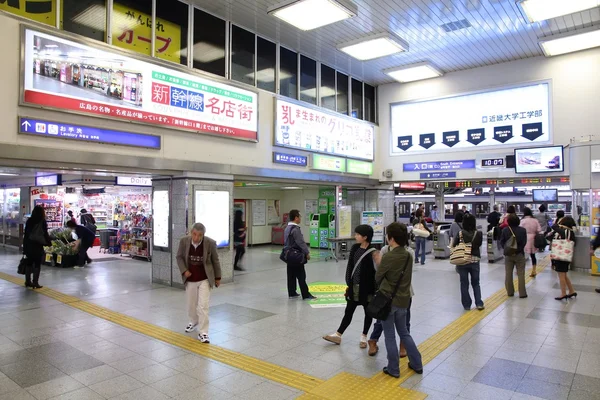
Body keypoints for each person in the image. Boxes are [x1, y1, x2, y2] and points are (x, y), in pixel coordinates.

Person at [376, 222, 422, 378]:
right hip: (404, 299)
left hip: (388, 302)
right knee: (404, 332)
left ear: (392, 238)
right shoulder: (408, 255)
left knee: (389, 336)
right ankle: (417, 363)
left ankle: (393, 369)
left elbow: (378, 277)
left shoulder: (388, 256)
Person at [323, 225, 377, 348]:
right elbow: (350, 267)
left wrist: (375, 289)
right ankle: (338, 334)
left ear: (365, 237)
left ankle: (364, 337)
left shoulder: (373, 251)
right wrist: (349, 283)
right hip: (354, 287)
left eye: (358, 234)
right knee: (349, 311)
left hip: (367, 288)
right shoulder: (355, 248)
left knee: (368, 312)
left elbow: (375, 273)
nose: (355, 236)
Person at [176, 223, 222, 343]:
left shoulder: (210, 243)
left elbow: (215, 260)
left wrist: (218, 277)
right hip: (190, 278)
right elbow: (179, 257)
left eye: (199, 235)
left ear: (203, 235)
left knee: (203, 305)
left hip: (204, 278)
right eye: (194, 234)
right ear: (191, 233)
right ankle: (193, 321)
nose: (196, 238)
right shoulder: (184, 241)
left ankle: (203, 332)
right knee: (191, 305)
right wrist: (184, 270)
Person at [368, 244, 415, 358]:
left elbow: (407, 272)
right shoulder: (385, 249)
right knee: (381, 318)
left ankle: (403, 345)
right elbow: (378, 271)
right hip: (386, 292)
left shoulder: (409, 252)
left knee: (405, 321)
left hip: (404, 292)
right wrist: (379, 262)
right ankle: (373, 340)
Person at [452, 214, 484, 311]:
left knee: (464, 283)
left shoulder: (460, 233)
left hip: (463, 260)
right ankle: (479, 303)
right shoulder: (478, 233)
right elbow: (478, 245)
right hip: (474, 260)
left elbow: (454, 245)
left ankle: (466, 305)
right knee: (476, 283)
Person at [285, 210, 316, 300]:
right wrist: (307, 253)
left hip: (288, 254)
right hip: (296, 255)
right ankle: (305, 294)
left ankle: (292, 292)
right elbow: (301, 242)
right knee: (301, 275)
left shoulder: (287, 228)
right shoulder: (296, 229)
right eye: (300, 217)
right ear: (296, 218)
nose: (300, 218)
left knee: (291, 274)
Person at [23, 206, 51, 289]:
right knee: (37, 264)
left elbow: (26, 234)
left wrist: (25, 246)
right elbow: (45, 233)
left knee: (29, 263)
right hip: (38, 245)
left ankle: (28, 281)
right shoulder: (42, 221)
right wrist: (49, 243)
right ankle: (35, 282)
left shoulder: (29, 221)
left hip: (29, 244)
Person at [500, 214, 528, 298]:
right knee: (521, 274)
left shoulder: (505, 230)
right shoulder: (523, 230)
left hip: (508, 255)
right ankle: (522, 293)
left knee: (508, 273)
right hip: (519, 254)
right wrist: (517, 250)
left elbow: (502, 242)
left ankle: (510, 292)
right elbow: (524, 242)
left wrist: (508, 250)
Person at [551, 216, 577, 301]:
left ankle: (563, 293)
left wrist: (558, 223)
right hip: (566, 256)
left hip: (561, 256)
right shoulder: (571, 232)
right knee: (564, 275)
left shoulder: (565, 231)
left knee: (561, 275)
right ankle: (571, 291)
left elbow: (553, 226)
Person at [520, 207, 543, 277]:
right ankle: (534, 270)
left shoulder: (523, 221)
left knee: (522, 255)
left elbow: (520, 229)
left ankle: (521, 270)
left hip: (524, 238)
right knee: (533, 256)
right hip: (533, 238)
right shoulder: (535, 220)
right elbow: (539, 229)